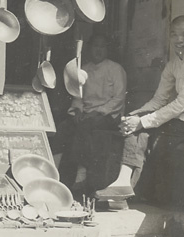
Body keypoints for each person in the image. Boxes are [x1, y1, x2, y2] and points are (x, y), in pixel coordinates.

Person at [95, 15, 184, 205]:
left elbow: (181, 104)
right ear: (170, 36)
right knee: (136, 126)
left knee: (143, 130)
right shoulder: (174, 64)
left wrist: (142, 122)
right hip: (180, 119)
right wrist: (134, 116)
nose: (180, 40)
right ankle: (123, 187)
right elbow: (159, 99)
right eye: (175, 35)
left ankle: (124, 186)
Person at [51, 33, 127, 191]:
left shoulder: (115, 69)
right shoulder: (84, 70)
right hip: (86, 114)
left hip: (109, 115)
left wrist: (98, 112)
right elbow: (78, 96)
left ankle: (80, 173)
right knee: (65, 126)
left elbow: (118, 99)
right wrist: (78, 110)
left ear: (107, 49)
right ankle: (56, 173)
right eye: (95, 46)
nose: (98, 50)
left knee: (86, 126)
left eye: (102, 46)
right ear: (90, 48)